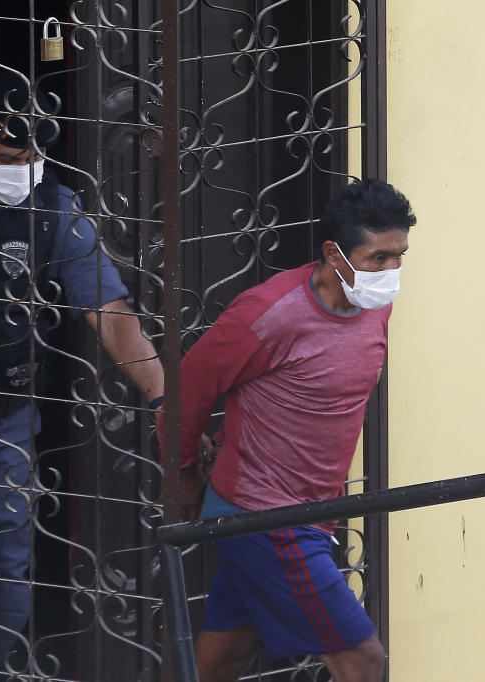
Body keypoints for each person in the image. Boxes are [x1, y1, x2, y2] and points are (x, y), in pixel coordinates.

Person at [0, 70, 164, 681]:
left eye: (26, 156)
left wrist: (160, 393)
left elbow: (109, 312)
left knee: (12, 596)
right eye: (1, 158)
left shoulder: (53, 208)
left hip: (10, 419)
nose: (17, 168)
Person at [172, 179, 415, 682]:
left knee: (224, 659)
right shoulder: (270, 314)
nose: (391, 272)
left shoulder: (376, 305)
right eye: (379, 258)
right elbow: (186, 392)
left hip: (313, 510)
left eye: (400, 257)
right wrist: (183, 475)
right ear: (334, 254)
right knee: (362, 657)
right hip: (267, 515)